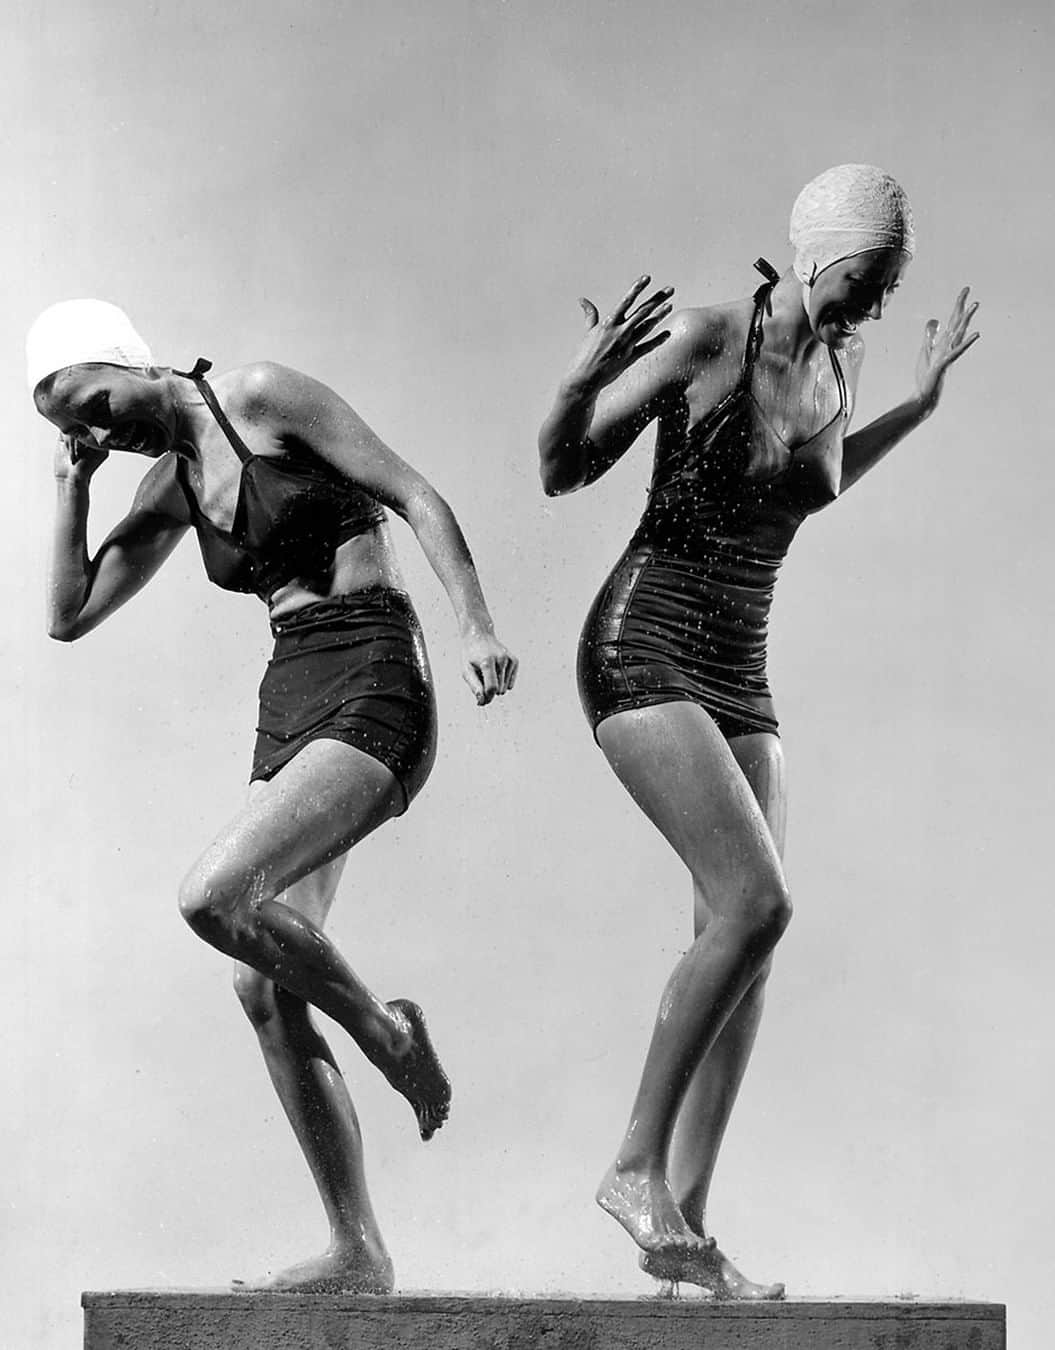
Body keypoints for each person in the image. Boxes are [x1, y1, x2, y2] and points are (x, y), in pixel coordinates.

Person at [537, 164, 978, 1298]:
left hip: (741, 663)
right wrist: (575, 385)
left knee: (749, 947)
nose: (881, 303)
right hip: (645, 644)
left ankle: (683, 1229)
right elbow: (559, 469)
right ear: (827, 256)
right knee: (758, 902)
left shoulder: (843, 363)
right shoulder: (707, 337)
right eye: (875, 278)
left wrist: (914, 411)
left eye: (894, 284)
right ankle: (632, 1169)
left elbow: (814, 486)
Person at [29, 299, 517, 1294]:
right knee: (258, 978)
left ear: (129, 360)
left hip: (376, 665)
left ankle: (387, 1037)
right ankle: (357, 1250)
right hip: (289, 693)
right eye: (74, 427)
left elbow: (417, 494)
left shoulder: (257, 396)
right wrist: (73, 492)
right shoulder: (169, 486)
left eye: (95, 400)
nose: (97, 429)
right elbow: (67, 615)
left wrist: (475, 625)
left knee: (213, 898)